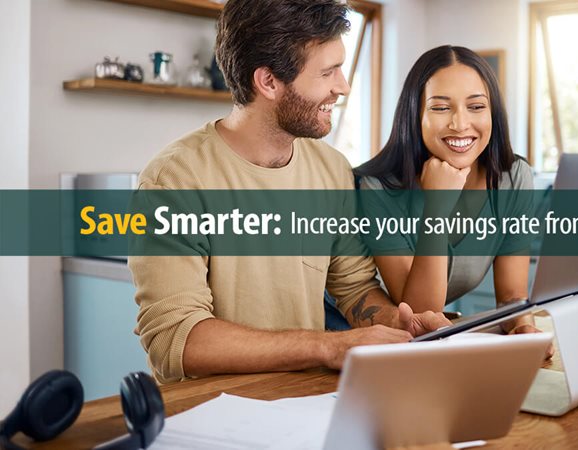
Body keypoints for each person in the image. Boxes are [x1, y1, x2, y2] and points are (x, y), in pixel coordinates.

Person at [128, 0, 448, 384]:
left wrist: (401, 325)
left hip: (305, 402)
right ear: (268, 82)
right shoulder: (175, 179)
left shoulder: (331, 169)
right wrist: (328, 346)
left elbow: (355, 288)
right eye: (327, 72)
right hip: (210, 416)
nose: (342, 87)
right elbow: (175, 342)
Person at [355, 45, 542, 336]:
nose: (460, 124)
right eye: (441, 107)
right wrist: (437, 206)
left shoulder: (513, 177)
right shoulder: (376, 188)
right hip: (353, 335)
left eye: (476, 106)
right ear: (415, 115)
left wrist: (522, 325)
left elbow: (511, 297)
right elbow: (419, 318)